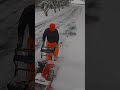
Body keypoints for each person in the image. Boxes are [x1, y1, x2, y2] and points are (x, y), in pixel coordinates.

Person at [17, 4, 35, 81]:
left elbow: (22, 24)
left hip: (34, 38)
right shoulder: (29, 10)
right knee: (31, 61)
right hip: (32, 40)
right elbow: (22, 24)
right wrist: (20, 39)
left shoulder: (29, 9)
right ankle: (30, 80)